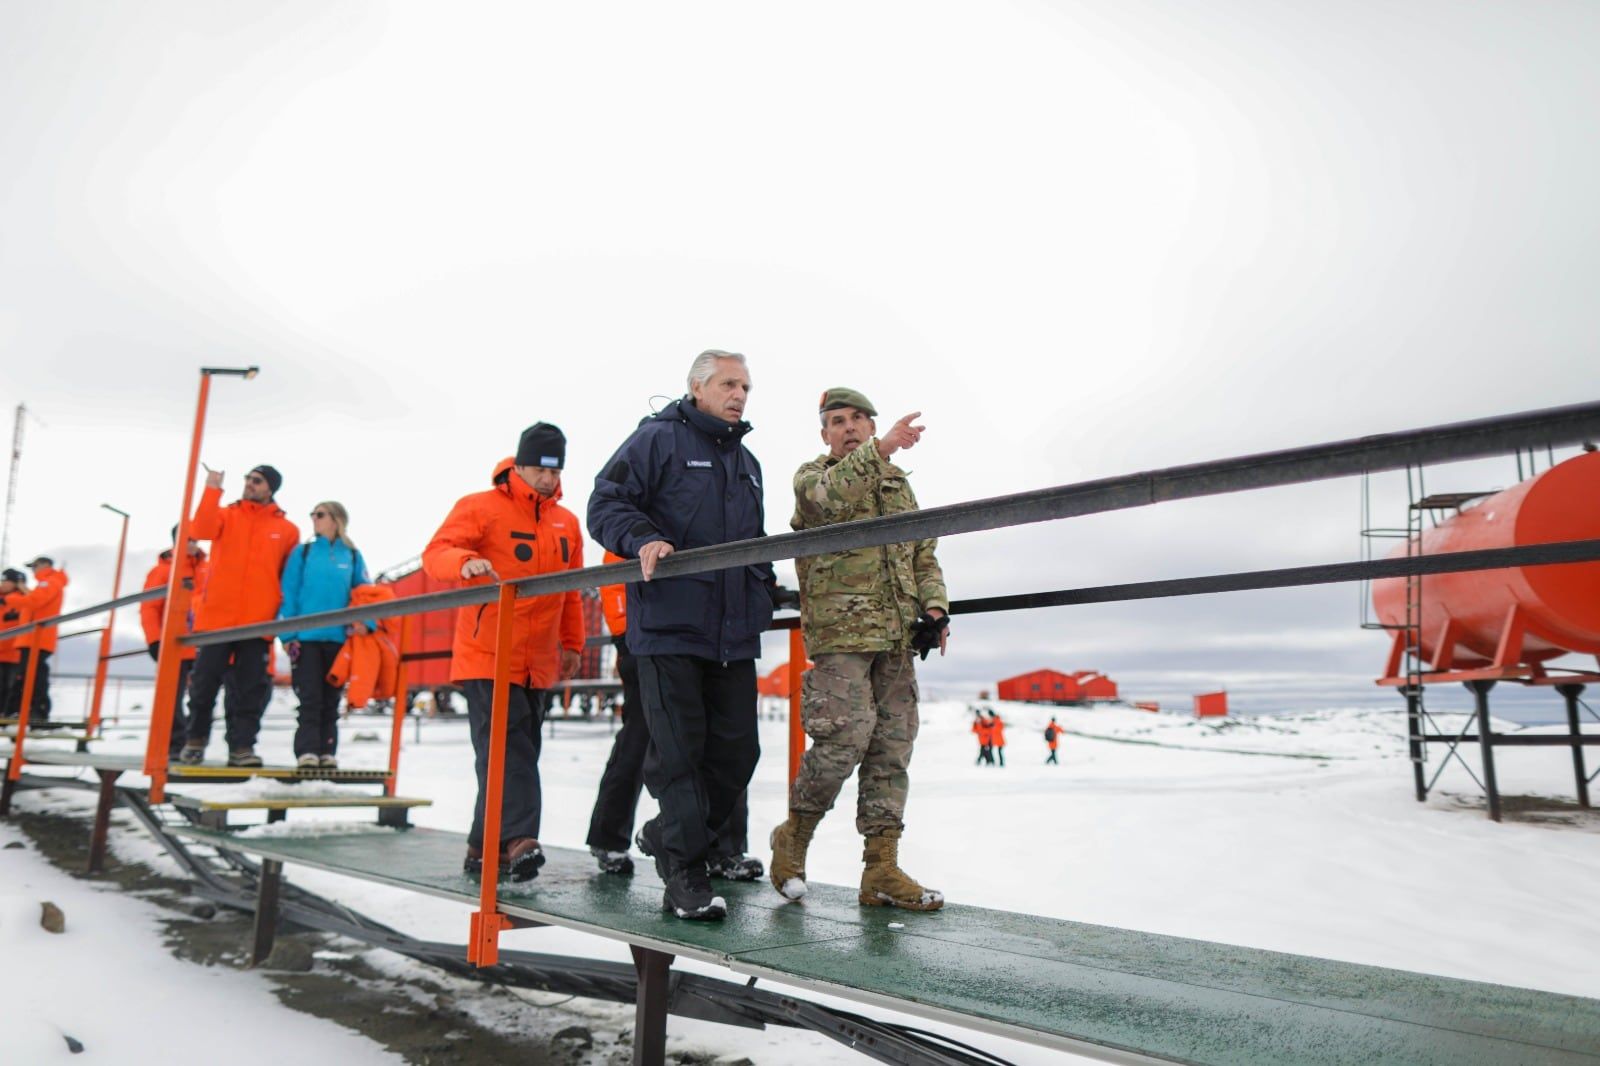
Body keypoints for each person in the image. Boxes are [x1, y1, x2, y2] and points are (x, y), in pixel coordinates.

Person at [587, 350, 779, 921]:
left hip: (733, 632)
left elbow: (753, 541)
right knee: (679, 756)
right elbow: (605, 502)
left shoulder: (748, 462)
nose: (739, 394)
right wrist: (643, 536)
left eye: (745, 385)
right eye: (728, 383)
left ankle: (668, 834)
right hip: (671, 626)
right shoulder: (657, 440)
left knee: (740, 751)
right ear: (697, 387)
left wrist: (767, 590)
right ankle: (686, 877)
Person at [768, 387, 949, 912]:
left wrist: (934, 609)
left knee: (892, 749)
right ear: (824, 434)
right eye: (837, 422)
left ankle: (881, 869)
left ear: (870, 426)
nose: (848, 428)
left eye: (858, 420)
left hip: (896, 635)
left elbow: (923, 552)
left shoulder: (897, 487)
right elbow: (830, 499)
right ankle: (794, 839)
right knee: (841, 743)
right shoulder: (813, 479)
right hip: (842, 638)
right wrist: (883, 450)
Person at [422, 423, 586, 882]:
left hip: (538, 663)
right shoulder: (481, 507)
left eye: (555, 472)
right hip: (487, 652)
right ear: (519, 464)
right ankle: (519, 842)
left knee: (514, 752)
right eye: (538, 469)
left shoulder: (566, 523)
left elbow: (571, 592)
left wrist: (572, 644)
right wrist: (464, 562)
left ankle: (481, 849)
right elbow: (435, 553)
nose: (547, 480)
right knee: (509, 751)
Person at [584, 551, 764, 881]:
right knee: (642, 735)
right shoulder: (644, 514)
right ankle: (608, 836)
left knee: (721, 738)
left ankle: (723, 846)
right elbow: (618, 563)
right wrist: (628, 628)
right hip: (647, 634)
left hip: (699, 634)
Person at [182, 464, 299, 767]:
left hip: (257, 622)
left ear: (270, 488)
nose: (249, 484)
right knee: (204, 685)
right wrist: (211, 489)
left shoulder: (287, 530)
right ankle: (195, 741)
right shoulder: (226, 515)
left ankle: (242, 748)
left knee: (250, 690)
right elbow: (200, 530)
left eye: (256, 481)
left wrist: (281, 614)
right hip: (216, 619)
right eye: (248, 479)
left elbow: (288, 576)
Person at [279, 501, 372, 770]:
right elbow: (289, 593)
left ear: (336, 520)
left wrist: (365, 623)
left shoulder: (352, 556)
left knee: (332, 698)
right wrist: (287, 636)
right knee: (310, 697)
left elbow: (365, 593)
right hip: (305, 639)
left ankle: (327, 751)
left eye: (319, 515)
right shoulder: (303, 553)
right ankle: (307, 751)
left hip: (338, 640)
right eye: (312, 514)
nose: (314, 519)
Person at [140, 529, 208, 759]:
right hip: (174, 645)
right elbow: (149, 607)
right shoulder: (162, 571)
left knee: (201, 696)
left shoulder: (207, 569)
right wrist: (154, 640)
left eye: (195, 539)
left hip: (203, 643)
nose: (192, 544)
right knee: (171, 697)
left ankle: (194, 742)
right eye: (187, 539)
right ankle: (174, 744)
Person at [14, 556, 70, 727]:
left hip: (38, 639)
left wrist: (12, 598)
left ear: (46, 565)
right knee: (30, 675)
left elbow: (36, 602)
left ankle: (38, 711)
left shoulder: (50, 581)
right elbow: (37, 602)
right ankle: (31, 711)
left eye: (35, 566)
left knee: (36, 676)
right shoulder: (45, 584)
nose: (33, 570)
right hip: (33, 639)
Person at [0, 569, 31, 719]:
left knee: (11, 687)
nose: (4, 584)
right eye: (3, 581)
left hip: (15, 653)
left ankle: (8, 716)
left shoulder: (23, 599)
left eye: (8, 581)